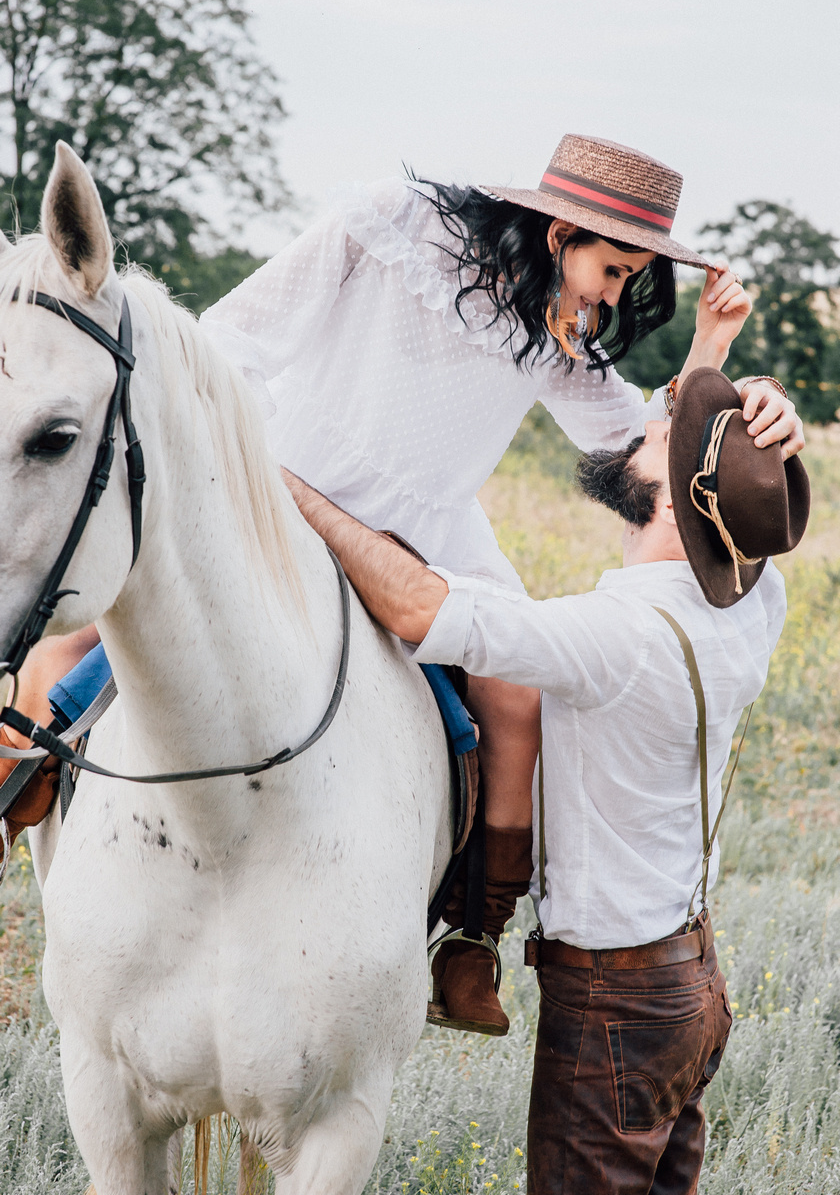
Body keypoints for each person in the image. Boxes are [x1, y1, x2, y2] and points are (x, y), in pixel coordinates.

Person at [0, 134, 803, 1036]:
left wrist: (722, 361)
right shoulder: (385, 225)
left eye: (629, 277)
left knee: (515, 702)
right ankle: (30, 764)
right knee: (105, 619)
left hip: (432, 532)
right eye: (612, 269)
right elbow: (236, 336)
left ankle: (473, 936)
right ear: (557, 235)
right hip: (291, 475)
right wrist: (234, 466)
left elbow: (637, 444)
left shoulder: (557, 338)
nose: (614, 294)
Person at [277, 366, 809, 1194]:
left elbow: (423, 609)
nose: (637, 433)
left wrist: (288, 490)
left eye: (656, 441)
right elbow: (747, 509)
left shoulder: (618, 636)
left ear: (672, 501)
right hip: (690, 988)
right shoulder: (752, 604)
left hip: (618, 1004)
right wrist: (763, 407)